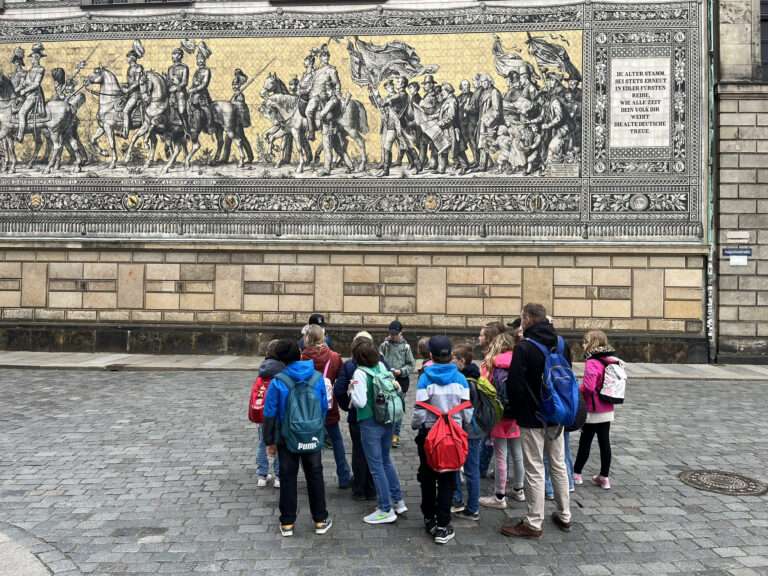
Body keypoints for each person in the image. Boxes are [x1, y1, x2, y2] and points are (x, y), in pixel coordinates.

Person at [501, 303, 572, 538]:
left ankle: (533, 522)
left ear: (528, 319)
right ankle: (564, 515)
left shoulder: (525, 347)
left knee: (535, 468)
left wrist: (515, 409)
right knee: (558, 463)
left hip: (532, 416)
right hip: (558, 413)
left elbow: (515, 384)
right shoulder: (561, 343)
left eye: (522, 318)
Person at [263, 340, 332, 537]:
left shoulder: (278, 381)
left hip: (287, 436)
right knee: (315, 476)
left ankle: (287, 523)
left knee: (287, 477)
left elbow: (270, 413)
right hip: (312, 432)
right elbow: (323, 408)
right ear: (300, 354)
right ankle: (320, 520)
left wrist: (270, 441)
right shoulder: (317, 377)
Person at [413, 336, 473, 545]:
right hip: (453, 436)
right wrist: (463, 426)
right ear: (449, 356)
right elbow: (467, 412)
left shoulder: (424, 379)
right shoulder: (461, 379)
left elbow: (419, 412)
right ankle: (443, 525)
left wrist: (416, 426)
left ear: (431, 356)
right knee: (448, 480)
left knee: (428, 477)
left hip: (430, 435)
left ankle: (429, 517)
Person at [350, 340, 407, 524]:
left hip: (369, 422)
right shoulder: (382, 366)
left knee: (375, 467)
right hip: (387, 419)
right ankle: (398, 501)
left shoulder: (359, 372)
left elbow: (359, 401)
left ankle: (385, 508)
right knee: (386, 460)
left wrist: (351, 389)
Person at [300, 324, 351, 490]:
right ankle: (344, 476)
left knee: (312, 442)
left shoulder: (302, 358)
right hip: (329, 406)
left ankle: (314, 479)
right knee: (336, 440)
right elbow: (341, 382)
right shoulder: (335, 357)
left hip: (309, 408)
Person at [479, 330, 525, 510]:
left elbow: (483, 387)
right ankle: (519, 489)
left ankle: (499, 496)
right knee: (518, 453)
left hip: (499, 415)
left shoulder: (490, 363)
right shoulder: (520, 361)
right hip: (517, 414)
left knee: (500, 455)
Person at [334, 331, 380, 501]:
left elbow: (339, 390)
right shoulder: (380, 364)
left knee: (359, 451)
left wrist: (347, 406)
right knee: (375, 452)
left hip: (357, 416)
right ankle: (372, 487)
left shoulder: (349, 366)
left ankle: (359, 488)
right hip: (378, 416)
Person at [573, 329, 617, 490]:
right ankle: (604, 477)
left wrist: (578, 388)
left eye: (585, 341)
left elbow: (590, 387)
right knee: (604, 442)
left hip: (593, 409)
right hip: (607, 407)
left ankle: (576, 474)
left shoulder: (592, 362)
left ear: (592, 343)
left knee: (585, 441)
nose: (583, 345)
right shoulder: (610, 359)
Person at [450, 344, 482, 521]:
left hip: (467, 430)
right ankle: (464, 503)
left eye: (454, 358)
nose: (451, 361)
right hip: (475, 431)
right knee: (470, 469)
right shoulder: (475, 375)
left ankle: (470, 507)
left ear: (461, 361)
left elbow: (464, 410)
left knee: (467, 469)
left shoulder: (465, 382)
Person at [378, 320, 415, 448]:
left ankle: (395, 434)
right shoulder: (384, 345)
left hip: (401, 381)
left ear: (401, 333)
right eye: (391, 334)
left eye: (395, 334)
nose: (393, 336)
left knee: (398, 408)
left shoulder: (406, 347)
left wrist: (401, 371)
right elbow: (379, 360)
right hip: (386, 380)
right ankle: (386, 433)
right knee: (386, 407)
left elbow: (411, 365)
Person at [478, 322, 506, 478]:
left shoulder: (492, 359)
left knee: (488, 439)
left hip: (490, 404)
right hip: (492, 404)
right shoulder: (492, 356)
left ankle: (481, 468)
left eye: (482, 335)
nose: (479, 337)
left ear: (488, 339)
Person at [255, 340, 283, 489]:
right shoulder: (283, 368)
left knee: (262, 441)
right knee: (279, 441)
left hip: (262, 412)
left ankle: (262, 474)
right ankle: (279, 475)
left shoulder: (263, 368)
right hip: (278, 411)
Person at [306, 44, 341, 141]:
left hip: (326, 96)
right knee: (308, 111)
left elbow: (337, 84)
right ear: (320, 58)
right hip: (315, 96)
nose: (326, 58)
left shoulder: (331, 70)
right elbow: (309, 77)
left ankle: (328, 130)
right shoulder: (316, 71)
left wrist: (335, 94)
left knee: (324, 114)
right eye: (324, 56)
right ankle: (311, 132)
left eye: (328, 56)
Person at [15, 43, 47, 143]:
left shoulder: (40, 69)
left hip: (34, 96)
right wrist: (15, 91)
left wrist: (24, 90)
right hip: (27, 95)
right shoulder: (30, 70)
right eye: (31, 57)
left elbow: (36, 84)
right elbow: (24, 83)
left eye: (33, 58)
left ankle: (20, 136)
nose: (31, 60)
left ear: (37, 58)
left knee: (21, 113)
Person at [189, 42, 213, 134]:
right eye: (198, 59)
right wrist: (190, 89)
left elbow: (204, 84)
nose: (199, 61)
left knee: (205, 107)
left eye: (201, 59)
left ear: (204, 59)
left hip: (202, 93)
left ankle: (210, 125)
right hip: (194, 93)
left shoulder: (206, 70)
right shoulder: (197, 71)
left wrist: (194, 89)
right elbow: (193, 83)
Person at [122, 42, 145, 138]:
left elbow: (137, 82)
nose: (127, 59)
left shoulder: (138, 68)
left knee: (125, 111)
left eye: (128, 57)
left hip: (136, 94)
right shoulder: (129, 68)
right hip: (130, 93)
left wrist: (128, 89)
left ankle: (125, 132)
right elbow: (130, 82)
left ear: (133, 58)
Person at [167, 47, 190, 135]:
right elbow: (168, 81)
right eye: (172, 54)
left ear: (180, 56)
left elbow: (185, 82)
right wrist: (169, 86)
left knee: (181, 110)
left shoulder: (184, 68)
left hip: (180, 93)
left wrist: (176, 86)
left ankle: (186, 129)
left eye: (175, 54)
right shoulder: (170, 68)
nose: (173, 56)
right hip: (171, 93)